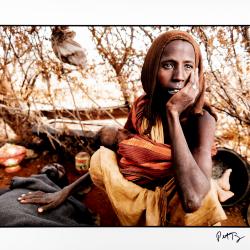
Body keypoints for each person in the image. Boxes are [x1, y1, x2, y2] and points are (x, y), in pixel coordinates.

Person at [19, 30, 234, 226]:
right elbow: (118, 153)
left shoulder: (202, 119)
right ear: (152, 68)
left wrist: (173, 114)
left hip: (183, 210)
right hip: (140, 197)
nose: (179, 76)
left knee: (205, 193)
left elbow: (193, 199)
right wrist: (64, 192)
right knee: (100, 158)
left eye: (188, 66)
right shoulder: (143, 108)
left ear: (197, 73)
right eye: (168, 65)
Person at [0, 163, 97, 226]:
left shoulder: (62, 198)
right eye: (54, 166)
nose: (54, 167)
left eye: (59, 169)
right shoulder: (24, 182)